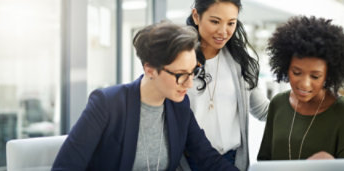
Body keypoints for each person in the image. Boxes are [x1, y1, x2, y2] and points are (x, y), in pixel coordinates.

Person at [52, 22, 239, 171]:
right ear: (150, 69)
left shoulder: (179, 107)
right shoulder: (107, 104)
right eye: (181, 75)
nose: (189, 84)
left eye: (192, 72)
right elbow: (65, 167)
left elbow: (207, 158)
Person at [181, 0, 270, 170]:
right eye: (215, 21)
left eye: (231, 23)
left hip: (231, 160)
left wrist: (307, 104)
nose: (223, 31)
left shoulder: (241, 61)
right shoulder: (178, 60)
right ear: (196, 16)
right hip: (189, 162)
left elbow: (263, 110)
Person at [257, 16, 344, 160]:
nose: (304, 84)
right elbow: (264, 161)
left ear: (328, 75)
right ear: (286, 67)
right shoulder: (278, 104)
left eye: (315, 76)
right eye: (297, 72)